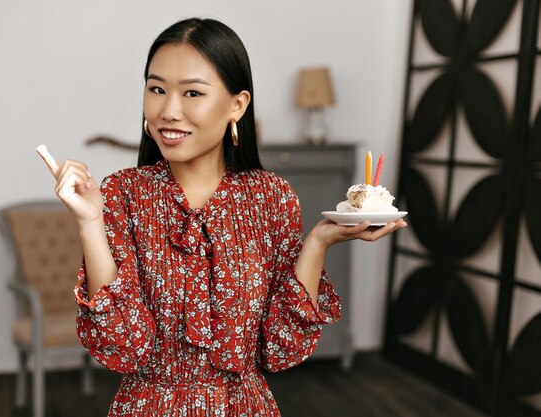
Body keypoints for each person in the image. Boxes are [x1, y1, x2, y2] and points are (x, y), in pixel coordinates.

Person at [40, 17, 406, 417]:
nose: (169, 110)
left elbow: (281, 347)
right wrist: (90, 222)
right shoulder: (123, 194)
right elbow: (123, 347)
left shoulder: (271, 198)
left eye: (192, 92)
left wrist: (317, 242)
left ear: (238, 104)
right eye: (156, 89)